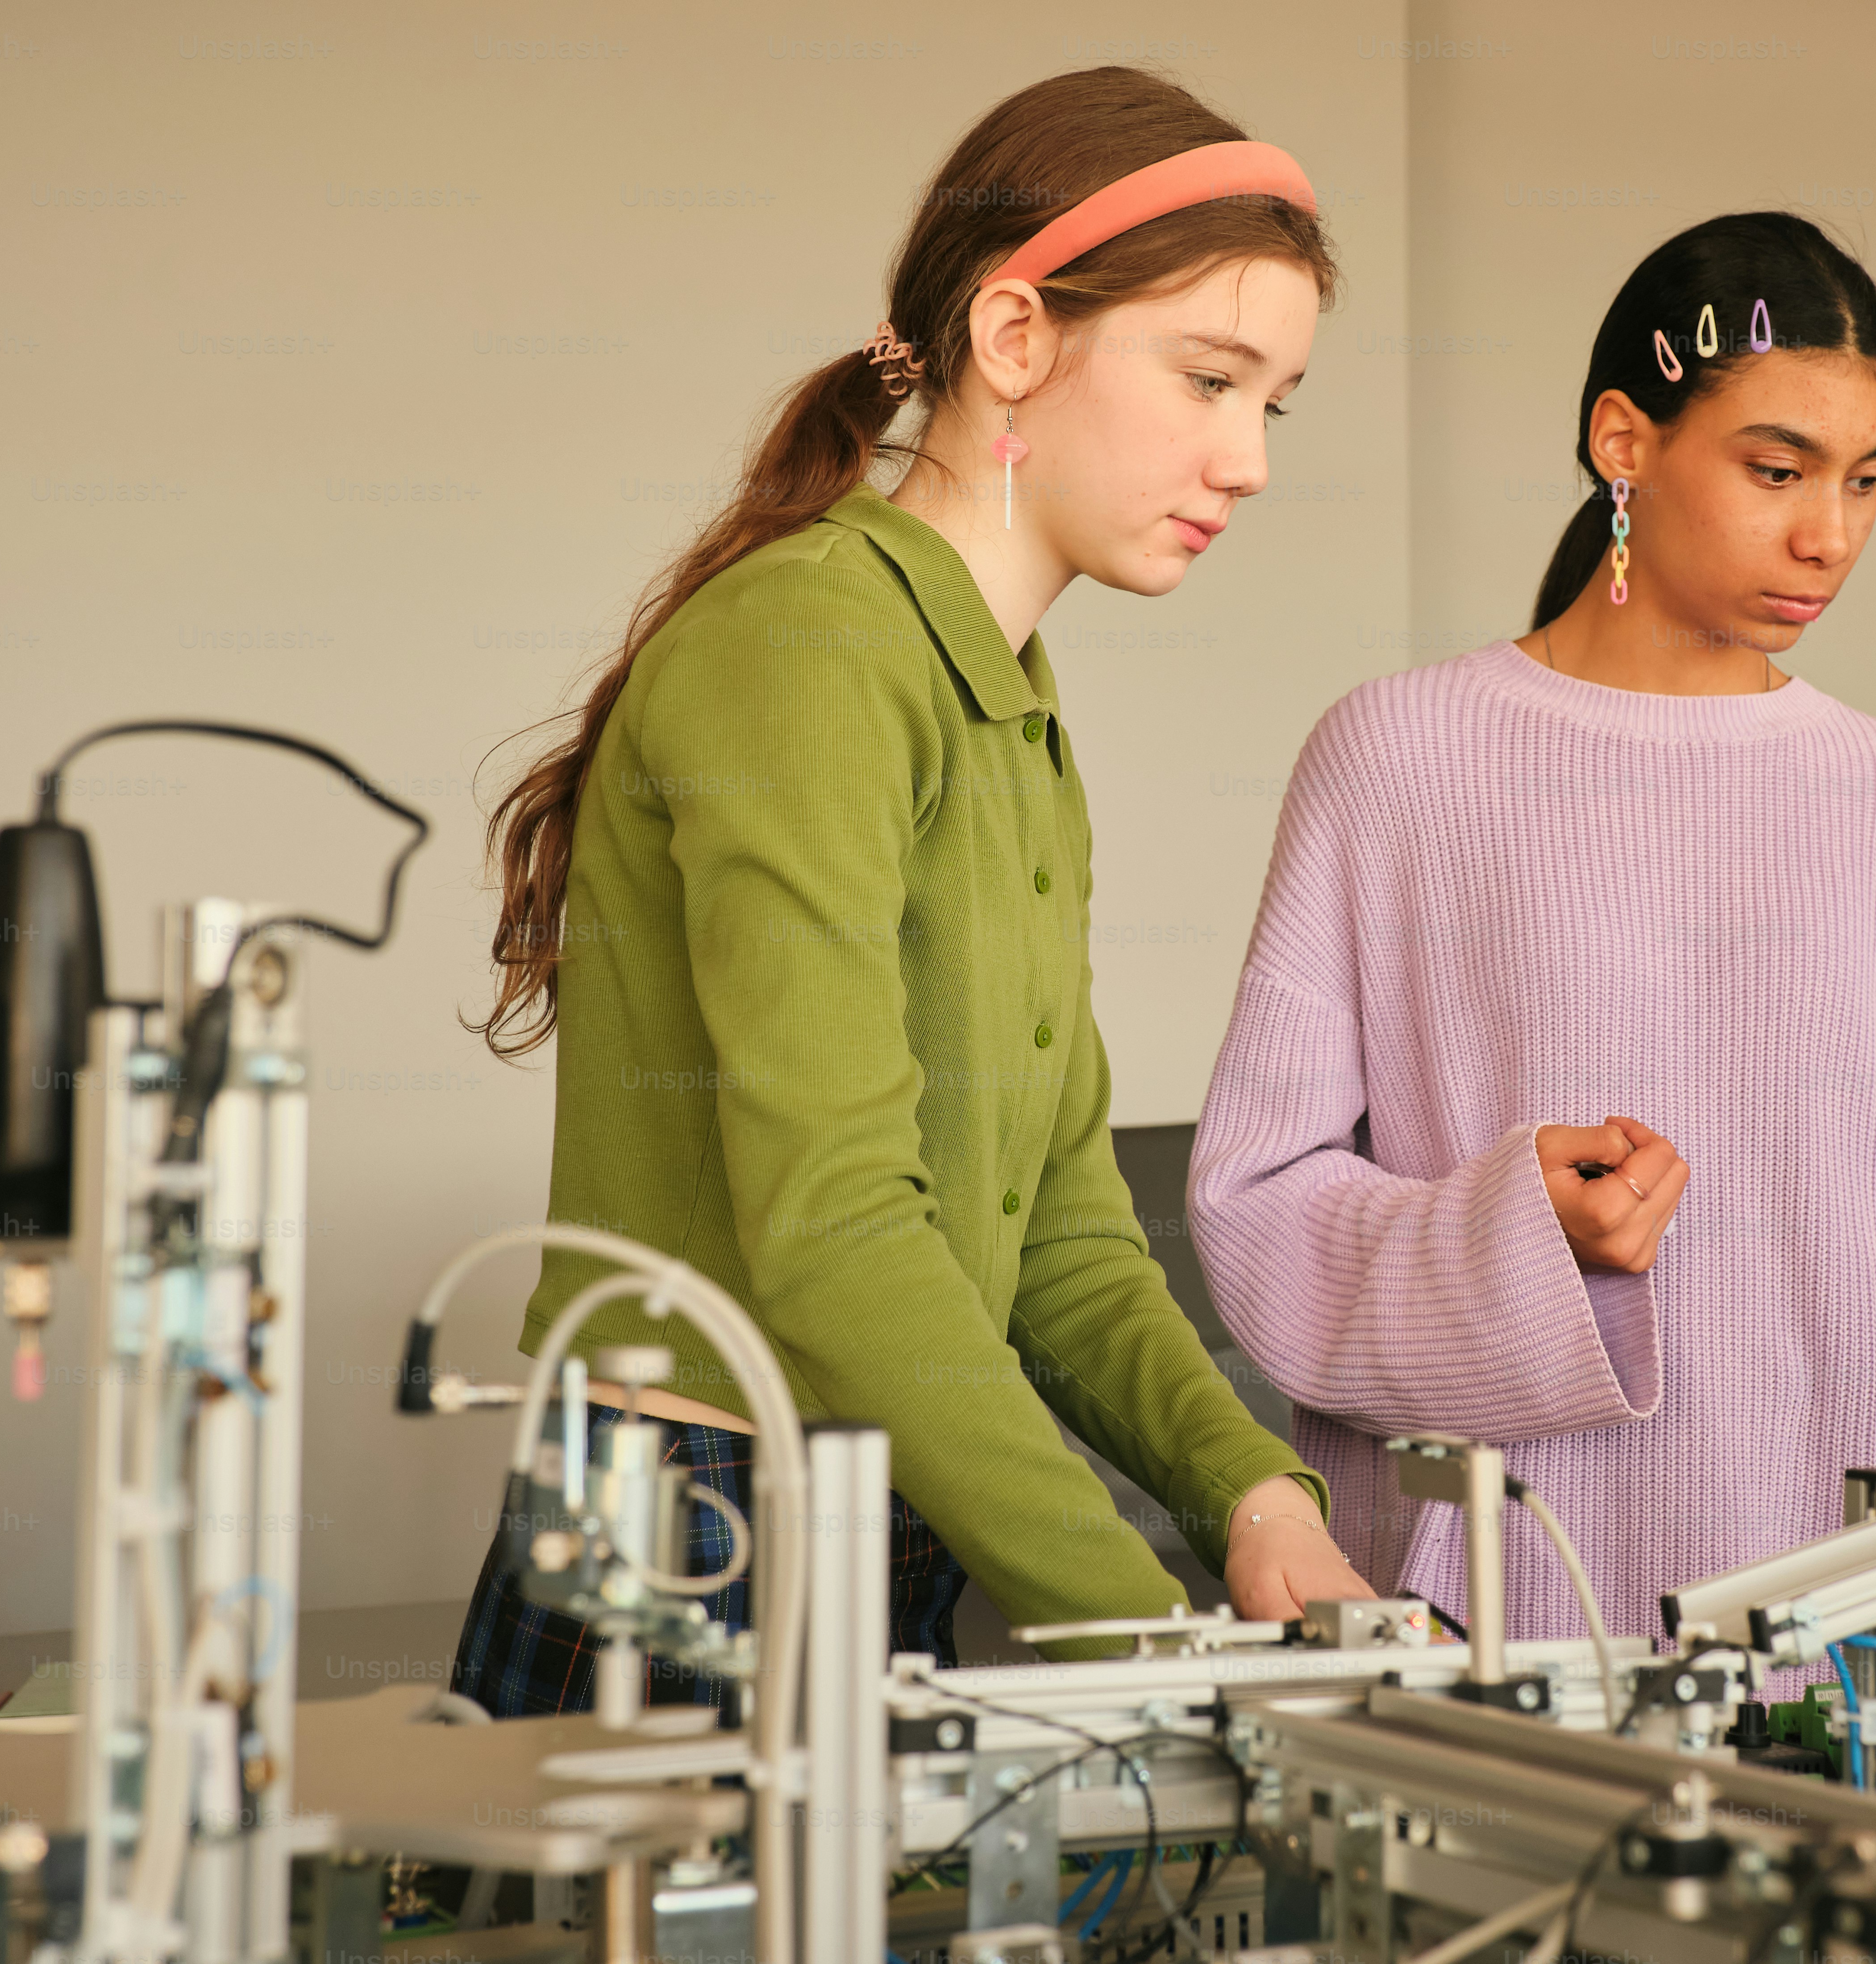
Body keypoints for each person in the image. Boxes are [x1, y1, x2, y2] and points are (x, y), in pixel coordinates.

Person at [451, 67, 1370, 1713]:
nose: (1245, 460)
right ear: (1015, 340)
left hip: (877, 1505)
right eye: (1209, 379)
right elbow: (835, 1230)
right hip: (699, 1536)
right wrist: (1158, 1646)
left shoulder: (1004, 691)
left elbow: (1065, 1239)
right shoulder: (810, 645)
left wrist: (1252, 1495)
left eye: (1273, 404)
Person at [1188, 212, 1876, 1666]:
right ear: (1624, 441)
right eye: (1778, 471)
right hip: (1498, 1605)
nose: (1829, 532)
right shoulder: (1399, 760)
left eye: (1866, 481)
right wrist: (1512, 1224)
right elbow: (1254, 1203)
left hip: (1848, 1611)